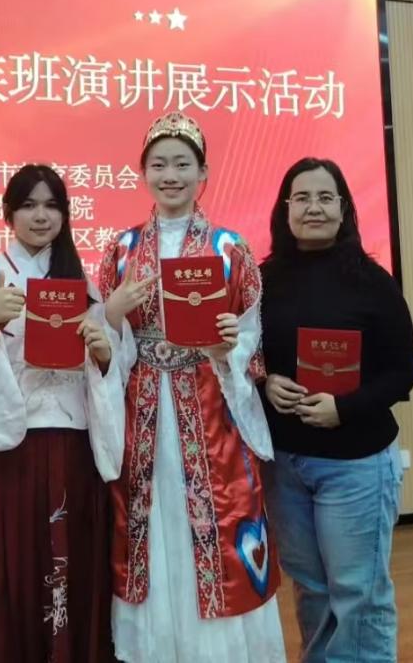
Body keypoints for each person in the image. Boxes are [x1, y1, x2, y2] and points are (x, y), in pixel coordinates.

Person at [98, 112, 285, 663]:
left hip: (210, 412)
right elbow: (101, 343)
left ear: (203, 172)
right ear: (142, 174)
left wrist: (229, 347)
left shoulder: (230, 248)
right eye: (159, 165)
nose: (171, 175)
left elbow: (251, 341)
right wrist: (113, 313)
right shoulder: (121, 249)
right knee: (150, 522)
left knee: (216, 525)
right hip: (143, 413)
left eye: (183, 164)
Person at [0, 163, 133, 663]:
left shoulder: (80, 281)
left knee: (65, 561)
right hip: (7, 445)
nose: (40, 216)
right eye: (28, 205)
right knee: (6, 563)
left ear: (65, 214)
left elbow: (108, 366)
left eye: (51, 205)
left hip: (71, 443)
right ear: (8, 213)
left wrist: (102, 352)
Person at [258, 157, 413, 663]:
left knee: (358, 592)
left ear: (344, 209)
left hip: (357, 463)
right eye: (302, 198)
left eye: (326, 198)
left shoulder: (373, 281)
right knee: (310, 588)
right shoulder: (262, 281)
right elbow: (249, 359)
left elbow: (403, 373)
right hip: (286, 464)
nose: (314, 208)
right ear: (285, 209)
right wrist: (266, 383)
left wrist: (343, 408)